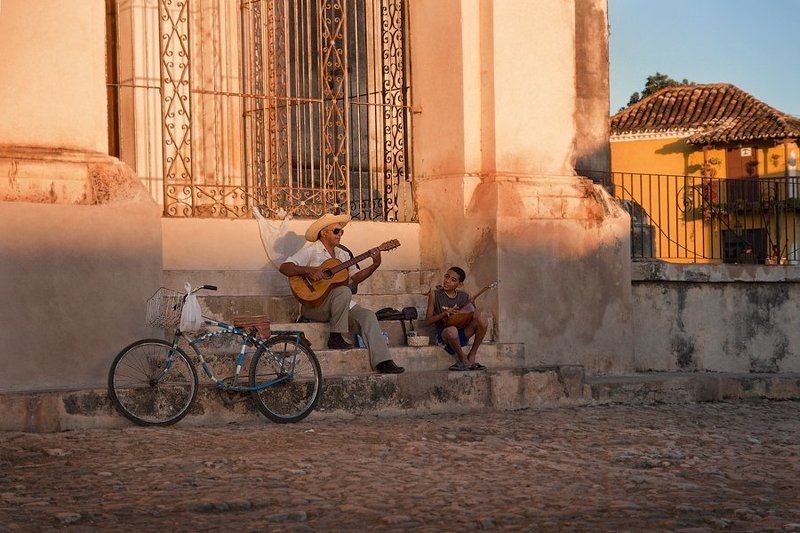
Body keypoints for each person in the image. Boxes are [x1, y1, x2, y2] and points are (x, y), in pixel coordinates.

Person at [279, 213, 405, 374]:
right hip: (315, 306)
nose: (340, 234)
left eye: (341, 232)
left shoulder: (343, 255)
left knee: (368, 316)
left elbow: (356, 277)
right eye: (336, 231)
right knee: (344, 290)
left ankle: (383, 361)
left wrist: (375, 264)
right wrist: (308, 270)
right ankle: (336, 336)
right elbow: (285, 267)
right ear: (324, 233)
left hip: (340, 304)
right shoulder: (311, 250)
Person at [424, 266, 489, 371]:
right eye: (447, 277)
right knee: (452, 330)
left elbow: (472, 318)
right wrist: (444, 314)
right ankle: (463, 359)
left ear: (460, 284)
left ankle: (472, 355)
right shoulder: (434, 295)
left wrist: (473, 310)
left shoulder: (464, 296)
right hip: (445, 336)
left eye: (453, 280)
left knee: (483, 320)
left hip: (462, 334)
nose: (447, 281)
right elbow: (427, 321)